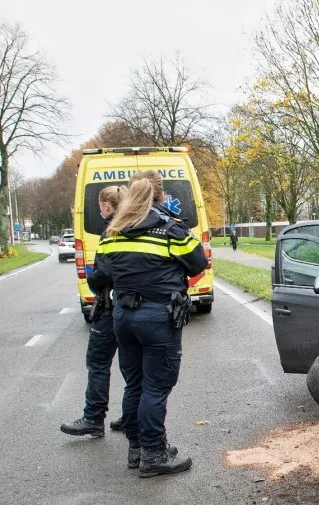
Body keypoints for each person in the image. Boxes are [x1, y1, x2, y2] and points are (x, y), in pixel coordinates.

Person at [95, 170, 207, 478]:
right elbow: (198, 262)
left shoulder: (112, 233)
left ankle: (137, 449)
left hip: (123, 317)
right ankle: (154, 454)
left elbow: (100, 273)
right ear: (160, 196)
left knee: (135, 384)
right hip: (158, 318)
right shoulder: (171, 230)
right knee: (155, 387)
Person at [60, 185, 129, 438]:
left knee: (98, 362)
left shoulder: (112, 231)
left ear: (107, 206)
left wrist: (92, 276)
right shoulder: (134, 226)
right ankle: (131, 416)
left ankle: (93, 417)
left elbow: (106, 271)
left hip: (110, 307)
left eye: (101, 205)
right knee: (131, 366)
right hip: (131, 307)